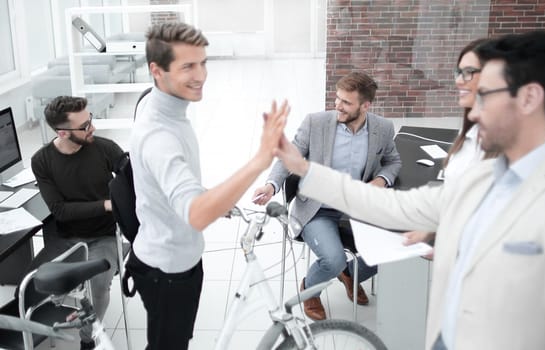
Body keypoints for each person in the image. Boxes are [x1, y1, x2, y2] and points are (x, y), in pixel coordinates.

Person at [274, 31, 545, 350]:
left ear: (529, 98)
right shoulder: (483, 176)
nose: (471, 110)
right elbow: (391, 206)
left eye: (483, 95)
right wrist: (303, 168)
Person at [127, 22, 288, 350]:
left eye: (203, 63)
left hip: (169, 257)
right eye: (188, 66)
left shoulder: (159, 106)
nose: (201, 75)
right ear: (156, 71)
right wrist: (260, 159)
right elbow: (196, 215)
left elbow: (175, 188)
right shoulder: (159, 136)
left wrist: (212, 198)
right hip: (167, 272)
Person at [252, 72, 401, 320]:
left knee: (392, 249)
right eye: (337, 98)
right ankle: (310, 289)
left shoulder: (382, 128)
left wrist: (380, 180)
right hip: (318, 208)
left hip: (357, 208)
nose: (337, 106)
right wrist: (271, 185)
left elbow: (392, 162)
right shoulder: (316, 123)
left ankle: (349, 274)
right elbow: (289, 157)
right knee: (332, 260)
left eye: (346, 102)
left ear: (365, 106)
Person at [31, 96, 123, 350]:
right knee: (30, 283)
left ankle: (86, 340)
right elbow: (60, 211)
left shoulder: (105, 149)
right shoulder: (42, 161)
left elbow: (134, 183)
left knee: (100, 283)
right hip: (65, 239)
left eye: (89, 120)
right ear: (62, 132)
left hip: (103, 236)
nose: (92, 127)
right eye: (84, 126)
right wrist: (105, 205)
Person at [403, 38, 499, 256]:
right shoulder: (469, 134)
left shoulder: (512, 148)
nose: (458, 81)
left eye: (468, 72)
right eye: (458, 72)